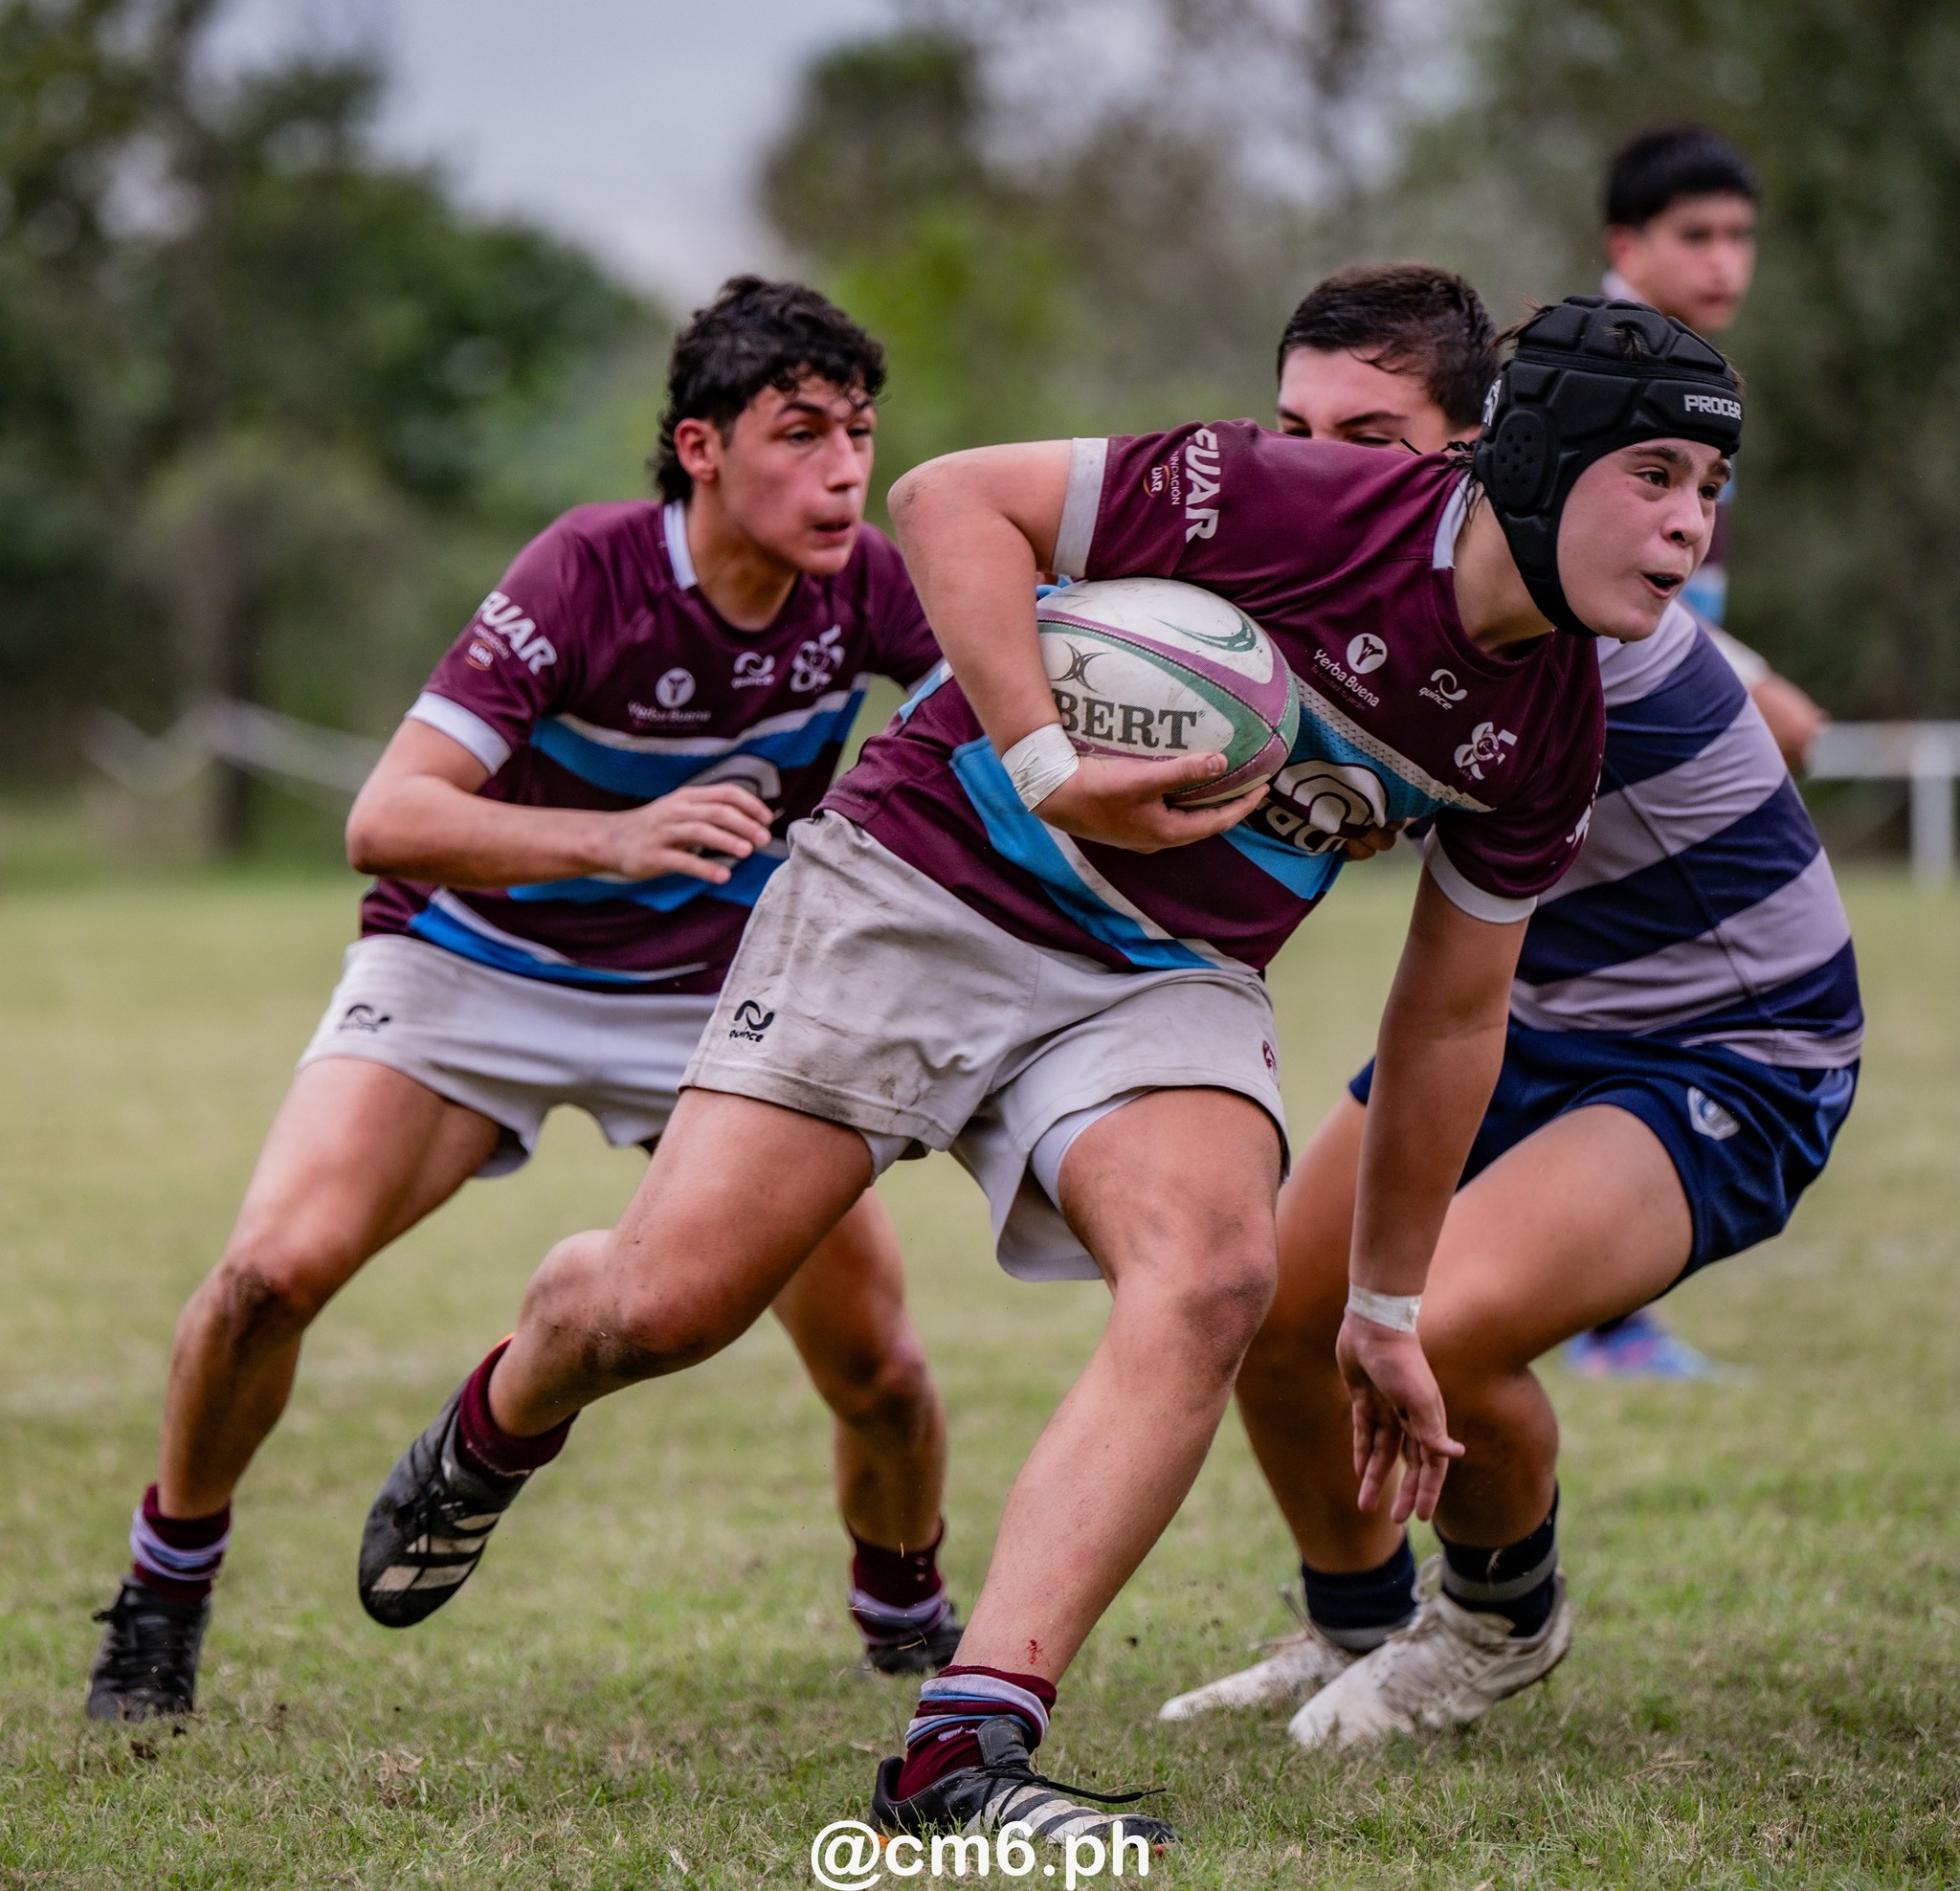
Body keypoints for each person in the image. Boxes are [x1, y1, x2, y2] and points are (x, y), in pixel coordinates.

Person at [355, 293, 1740, 1849]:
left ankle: (964, 1754)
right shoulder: (1303, 497)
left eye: (1709, 490)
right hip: (917, 888)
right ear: (1540, 463)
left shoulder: (1547, 726)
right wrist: (1050, 763)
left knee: (1213, 1276)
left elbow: (1446, 1018)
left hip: (1163, 977)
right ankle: (511, 1398)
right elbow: (948, 499)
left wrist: (1387, 1305)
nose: (1691, 529)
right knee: (656, 1309)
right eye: (1659, 479)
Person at [84, 278, 962, 1724]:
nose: (845, 469)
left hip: (709, 994)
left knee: (878, 1359)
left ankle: (911, 1627)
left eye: (859, 432)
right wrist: (614, 840)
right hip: (473, 962)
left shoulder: (866, 585)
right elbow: (389, 817)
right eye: (801, 433)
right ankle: (162, 1597)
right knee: (265, 1279)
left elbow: (992, 729)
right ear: (700, 448)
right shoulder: (586, 574)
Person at [1157, 264, 1860, 1744]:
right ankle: (1352, 1623)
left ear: (1487, 456)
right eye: (1290, 430)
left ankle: (1494, 1626)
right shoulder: (1389, 574)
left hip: (1728, 1051)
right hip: (1547, 1012)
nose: (1304, 474)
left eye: (1362, 442)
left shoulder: (1583, 644)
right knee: (1275, 1308)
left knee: (1441, 1326)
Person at [1576, 121, 1831, 1375]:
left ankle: (1590, 1301)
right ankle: (1588, 1304)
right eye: (1698, 235)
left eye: (1742, 236)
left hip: (1649, 732)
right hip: (1586, 737)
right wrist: (1760, 692)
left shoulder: (1687, 366)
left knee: (1574, 1000)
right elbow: (1587, 583)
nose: (1727, 260)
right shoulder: (1603, 368)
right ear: (1629, 245)